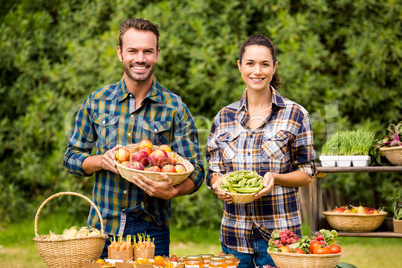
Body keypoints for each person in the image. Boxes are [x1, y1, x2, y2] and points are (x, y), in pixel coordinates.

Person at [63, 18, 205, 258]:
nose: (140, 58)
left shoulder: (174, 107)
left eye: (147, 51)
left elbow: (197, 171)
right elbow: (71, 158)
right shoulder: (97, 101)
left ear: (157, 54)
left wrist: (173, 191)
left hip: (152, 230)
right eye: (133, 51)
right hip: (102, 226)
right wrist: (100, 161)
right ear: (120, 53)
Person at [206, 34, 317, 267]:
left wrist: (275, 179)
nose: (257, 71)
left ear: (274, 67)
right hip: (234, 237)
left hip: (281, 239)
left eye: (265, 64)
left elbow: (307, 173)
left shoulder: (296, 114)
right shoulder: (223, 117)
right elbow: (214, 172)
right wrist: (219, 185)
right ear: (240, 66)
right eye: (250, 63)